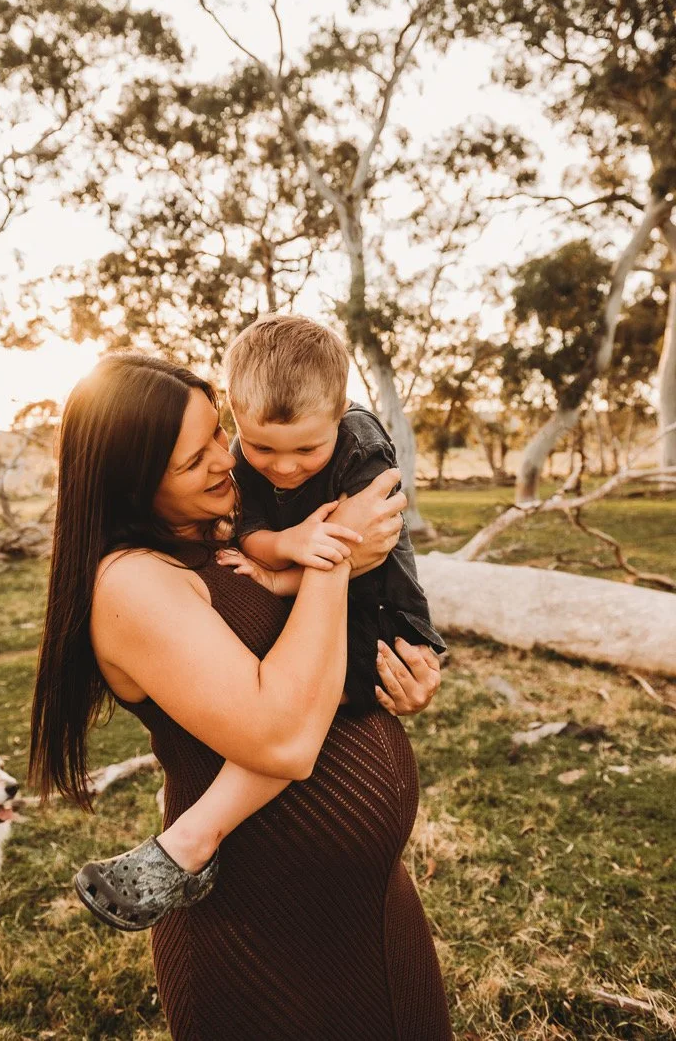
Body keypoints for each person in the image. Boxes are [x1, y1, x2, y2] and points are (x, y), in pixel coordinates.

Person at [29, 351, 452, 1040]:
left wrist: (400, 676)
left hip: (373, 909)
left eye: (218, 436)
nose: (225, 462)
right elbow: (282, 739)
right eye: (193, 461)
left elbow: (321, 654)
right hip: (263, 939)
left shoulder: (227, 529)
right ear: (132, 480)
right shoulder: (133, 582)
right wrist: (335, 555)